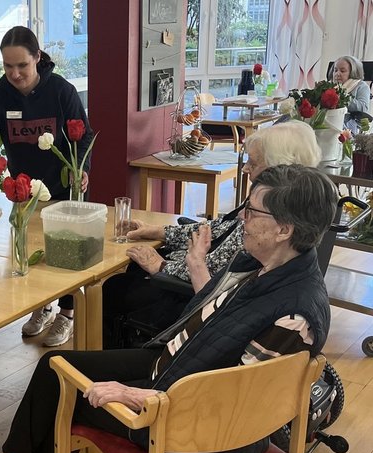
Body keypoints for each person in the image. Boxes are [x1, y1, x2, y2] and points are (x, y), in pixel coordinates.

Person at [0, 165, 337, 453]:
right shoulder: (268, 267)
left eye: (252, 211)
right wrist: (197, 263)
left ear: (284, 229)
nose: (243, 219)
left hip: (203, 428)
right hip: (176, 371)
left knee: (64, 390)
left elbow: (233, 398)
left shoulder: (295, 313)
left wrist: (136, 396)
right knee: (55, 365)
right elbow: (218, 323)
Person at [103, 120, 321, 348]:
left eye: (253, 163)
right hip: (196, 279)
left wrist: (161, 266)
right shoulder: (279, 204)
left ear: (279, 168)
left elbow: (218, 275)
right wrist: (159, 231)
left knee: (115, 288)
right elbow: (217, 227)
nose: (245, 169)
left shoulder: (266, 221)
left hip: (192, 298)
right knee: (133, 268)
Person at [0, 25, 95, 347]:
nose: (15, 73)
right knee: (30, 251)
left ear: (37, 57)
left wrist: (81, 169)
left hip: (64, 186)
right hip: (25, 190)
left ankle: (67, 313)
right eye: (8, 66)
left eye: (22, 65)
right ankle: (43, 307)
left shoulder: (61, 91)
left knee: (65, 254)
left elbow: (83, 136)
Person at [331, 55, 371, 132]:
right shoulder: (330, 86)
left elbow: (363, 108)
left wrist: (342, 96)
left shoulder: (361, 86)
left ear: (353, 73)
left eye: (342, 71)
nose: (337, 74)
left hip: (350, 126)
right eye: (335, 70)